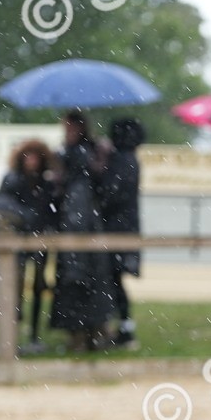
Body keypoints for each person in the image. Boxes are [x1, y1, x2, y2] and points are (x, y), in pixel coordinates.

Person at [49, 110, 116, 352]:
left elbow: (99, 182)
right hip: (77, 225)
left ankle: (92, 334)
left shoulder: (93, 152)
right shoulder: (66, 154)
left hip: (84, 225)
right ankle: (83, 334)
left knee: (87, 280)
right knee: (78, 281)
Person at [0, 139, 59, 347]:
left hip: (40, 240)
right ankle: (13, 334)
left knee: (40, 286)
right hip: (18, 241)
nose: (31, 160)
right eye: (28, 155)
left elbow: (51, 212)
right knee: (15, 287)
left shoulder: (47, 183)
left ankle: (33, 334)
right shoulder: (12, 180)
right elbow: (3, 207)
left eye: (35, 155)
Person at [99, 117, 144, 347]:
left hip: (117, 228)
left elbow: (112, 193)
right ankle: (123, 327)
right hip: (125, 226)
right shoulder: (131, 159)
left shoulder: (122, 160)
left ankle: (123, 329)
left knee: (113, 280)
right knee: (115, 281)